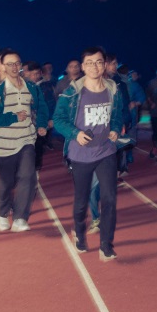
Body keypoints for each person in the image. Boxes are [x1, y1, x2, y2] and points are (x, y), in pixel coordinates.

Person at [53, 47, 128, 262]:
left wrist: (115, 128)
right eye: (90, 62)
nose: (95, 66)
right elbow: (58, 119)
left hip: (106, 151)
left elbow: (117, 115)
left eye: (99, 62)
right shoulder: (72, 92)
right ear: (83, 66)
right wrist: (75, 134)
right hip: (81, 154)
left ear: (104, 65)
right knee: (81, 200)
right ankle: (79, 231)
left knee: (110, 198)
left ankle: (106, 245)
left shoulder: (113, 88)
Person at [0, 49, 49, 232]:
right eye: (10, 64)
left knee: (28, 177)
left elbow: (42, 107)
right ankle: (2, 212)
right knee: (7, 181)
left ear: (21, 65)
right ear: (3, 67)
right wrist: (13, 117)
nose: (14, 67)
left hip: (26, 139)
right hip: (4, 142)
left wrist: (42, 124)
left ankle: (20, 218)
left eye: (17, 63)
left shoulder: (31, 87)